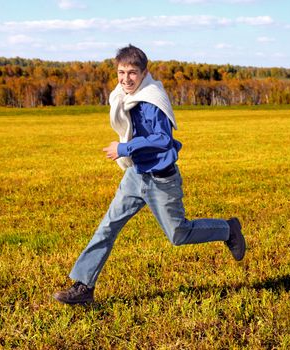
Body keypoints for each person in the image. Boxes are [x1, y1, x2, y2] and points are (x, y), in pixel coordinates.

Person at [53, 44, 245, 305]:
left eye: (132, 72)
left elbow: (163, 139)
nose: (126, 79)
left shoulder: (153, 99)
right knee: (106, 228)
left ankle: (228, 229)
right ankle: (84, 286)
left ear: (144, 73)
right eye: (121, 72)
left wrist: (124, 148)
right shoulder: (123, 96)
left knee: (179, 235)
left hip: (161, 180)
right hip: (135, 176)